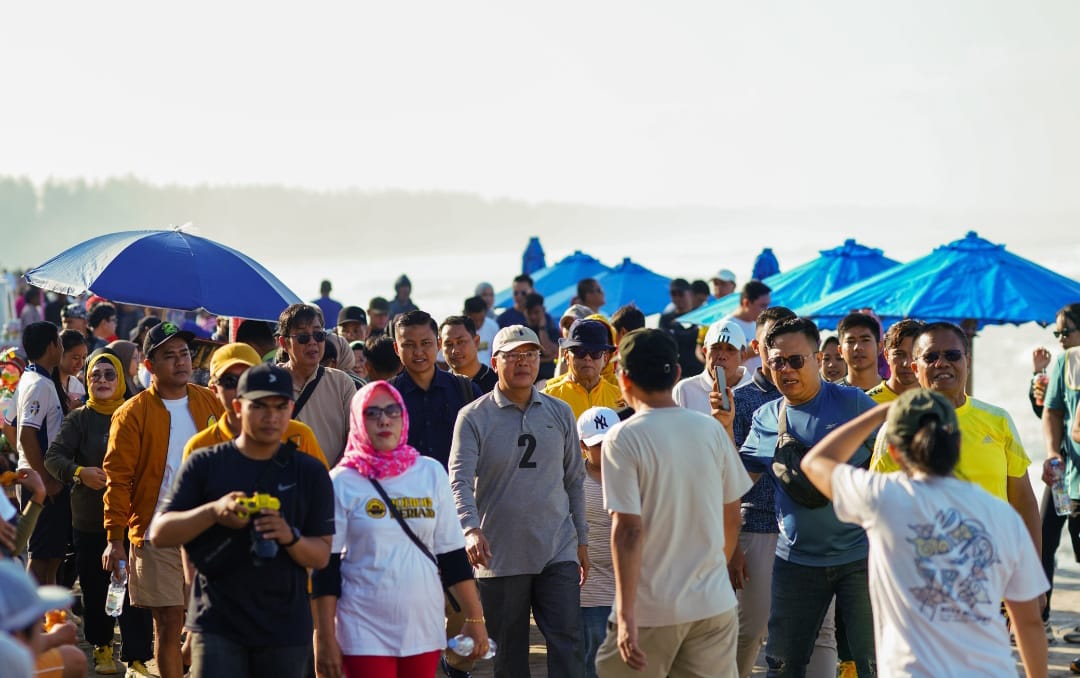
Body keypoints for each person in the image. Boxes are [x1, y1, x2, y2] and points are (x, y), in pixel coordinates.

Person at [801, 389, 1049, 678]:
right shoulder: (1002, 514)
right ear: (957, 444)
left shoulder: (882, 498)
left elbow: (815, 462)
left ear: (893, 450)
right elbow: (1028, 622)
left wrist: (879, 413)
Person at [149, 363, 334, 677]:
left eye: (280, 406)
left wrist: (288, 536)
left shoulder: (309, 471)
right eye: (259, 406)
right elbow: (160, 532)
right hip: (218, 621)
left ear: (291, 407)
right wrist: (214, 511)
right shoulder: (205, 462)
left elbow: (321, 555)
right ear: (237, 406)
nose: (271, 417)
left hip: (285, 624)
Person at [595, 329, 751, 678]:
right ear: (677, 373)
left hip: (651, 609)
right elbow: (732, 514)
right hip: (713, 603)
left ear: (623, 377)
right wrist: (710, 571)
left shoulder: (623, 437)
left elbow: (628, 530)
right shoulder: (711, 429)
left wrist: (625, 613)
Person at [312, 380, 489, 678]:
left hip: (422, 623)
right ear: (357, 420)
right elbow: (325, 568)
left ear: (404, 417)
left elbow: (452, 556)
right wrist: (325, 637)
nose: (384, 419)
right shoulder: (341, 482)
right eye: (372, 412)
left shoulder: (430, 471)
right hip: (361, 626)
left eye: (392, 410)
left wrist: (475, 617)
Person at [739, 317, 878, 677]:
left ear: (817, 359)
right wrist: (722, 428)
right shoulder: (766, 417)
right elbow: (735, 484)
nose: (785, 369)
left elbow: (894, 465)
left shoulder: (853, 404)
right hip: (795, 562)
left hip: (860, 557)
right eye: (776, 362)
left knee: (875, 663)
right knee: (783, 665)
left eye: (795, 360)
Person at [449, 325, 588, 678]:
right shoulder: (473, 416)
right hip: (500, 555)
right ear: (495, 362)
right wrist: (470, 529)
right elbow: (459, 479)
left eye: (529, 354)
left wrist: (582, 538)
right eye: (513, 355)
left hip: (558, 548)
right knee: (509, 655)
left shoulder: (559, 412)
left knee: (569, 644)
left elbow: (574, 479)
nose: (523, 362)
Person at [103, 321, 224, 678]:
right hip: (155, 533)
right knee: (168, 623)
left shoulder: (209, 401)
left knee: (206, 621)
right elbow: (118, 478)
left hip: (208, 531)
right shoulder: (131, 413)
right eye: (169, 356)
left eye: (184, 353)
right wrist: (114, 539)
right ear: (150, 365)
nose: (180, 361)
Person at [870, 322, 1041, 558]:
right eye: (930, 357)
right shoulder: (896, 429)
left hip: (997, 571)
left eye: (952, 355)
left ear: (967, 362)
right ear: (915, 367)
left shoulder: (997, 420)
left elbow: (1024, 502)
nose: (942, 363)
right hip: (927, 577)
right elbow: (879, 512)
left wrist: (1034, 578)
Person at [43, 351, 154, 676]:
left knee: (135, 591)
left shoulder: (138, 412)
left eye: (109, 375)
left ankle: (136, 658)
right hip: (91, 521)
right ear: (87, 381)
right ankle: (102, 648)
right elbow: (53, 457)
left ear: (121, 379)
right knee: (96, 588)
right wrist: (80, 473)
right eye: (95, 375)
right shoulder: (80, 418)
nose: (102, 381)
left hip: (134, 520)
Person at [183, 342, 327, 468]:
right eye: (230, 381)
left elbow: (324, 495)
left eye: (249, 378)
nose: (241, 388)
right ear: (214, 389)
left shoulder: (299, 436)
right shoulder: (199, 447)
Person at [1036, 303, 1080, 645]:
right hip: (1067, 474)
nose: (1061, 339)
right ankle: (1041, 617)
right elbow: (1051, 411)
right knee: (1043, 539)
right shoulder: (1068, 363)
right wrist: (1052, 453)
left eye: (1066, 331)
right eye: (1058, 333)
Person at [389, 310, 481, 469]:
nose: (418, 352)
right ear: (397, 348)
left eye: (425, 343)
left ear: (438, 344)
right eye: (409, 345)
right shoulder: (386, 395)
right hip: (404, 491)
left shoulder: (465, 390)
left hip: (456, 489)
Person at [15, 322, 70, 587]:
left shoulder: (37, 378)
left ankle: (49, 618)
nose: (62, 347)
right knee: (39, 557)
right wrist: (45, 481)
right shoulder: (38, 383)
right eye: (60, 342)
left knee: (51, 557)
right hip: (40, 482)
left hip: (44, 479)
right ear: (51, 346)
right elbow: (26, 433)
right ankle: (28, 622)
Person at [276, 304, 355, 466]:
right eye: (303, 337)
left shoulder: (342, 383)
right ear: (284, 343)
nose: (312, 342)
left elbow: (355, 437)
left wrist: (334, 476)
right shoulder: (269, 382)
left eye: (319, 335)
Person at [576, 406, 618, 678]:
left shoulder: (636, 473)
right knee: (591, 664)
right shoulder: (571, 479)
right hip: (589, 593)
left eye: (610, 441)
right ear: (582, 446)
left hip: (632, 590)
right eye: (597, 444)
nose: (604, 449)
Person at [543, 319, 623, 419]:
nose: (587, 357)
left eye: (595, 352)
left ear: (605, 359)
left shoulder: (620, 398)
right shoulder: (548, 399)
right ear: (567, 357)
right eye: (580, 351)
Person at [674, 319, 751, 414]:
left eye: (730, 349)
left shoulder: (758, 391)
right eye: (715, 348)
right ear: (705, 352)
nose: (722, 356)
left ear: (742, 356)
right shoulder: (684, 390)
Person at [867, 319, 924, 403]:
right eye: (899, 354)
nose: (907, 364)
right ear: (886, 355)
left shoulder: (940, 402)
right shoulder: (866, 402)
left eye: (914, 355)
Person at [722, 281, 772, 372]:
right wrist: (751, 351)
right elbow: (721, 365)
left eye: (767, 305)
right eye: (762, 306)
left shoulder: (761, 325)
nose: (766, 310)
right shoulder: (726, 327)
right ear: (746, 303)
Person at [658, 278, 703, 378]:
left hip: (698, 371)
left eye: (681, 293)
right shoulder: (666, 318)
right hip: (675, 373)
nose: (677, 297)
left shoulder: (701, 316)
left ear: (690, 293)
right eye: (674, 294)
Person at [441, 316, 498, 394]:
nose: (455, 350)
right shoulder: (440, 387)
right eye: (449, 344)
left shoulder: (498, 384)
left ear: (476, 342)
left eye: (461, 342)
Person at [835, 313, 883, 391]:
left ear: (879, 347)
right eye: (850, 341)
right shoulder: (830, 395)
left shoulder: (895, 393)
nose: (858, 347)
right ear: (840, 351)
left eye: (865, 340)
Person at [54, 330, 87, 412]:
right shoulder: (46, 384)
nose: (80, 363)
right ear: (60, 354)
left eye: (84, 358)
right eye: (75, 358)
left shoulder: (77, 385)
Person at [463, 296, 499, 365]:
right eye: (474, 321)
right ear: (466, 314)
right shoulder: (457, 330)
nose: (478, 324)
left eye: (481, 320)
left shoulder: (493, 326)